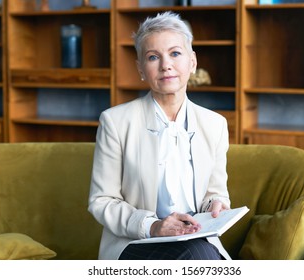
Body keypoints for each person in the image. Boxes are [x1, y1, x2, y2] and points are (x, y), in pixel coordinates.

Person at [88, 11, 231, 260]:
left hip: (196, 238)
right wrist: (153, 226)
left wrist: (216, 206)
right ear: (141, 68)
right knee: (199, 259)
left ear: (192, 62)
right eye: (153, 57)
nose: (166, 65)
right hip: (136, 242)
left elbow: (215, 193)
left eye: (175, 53)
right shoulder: (115, 122)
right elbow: (102, 201)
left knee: (199, 254)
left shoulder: (215, 124)